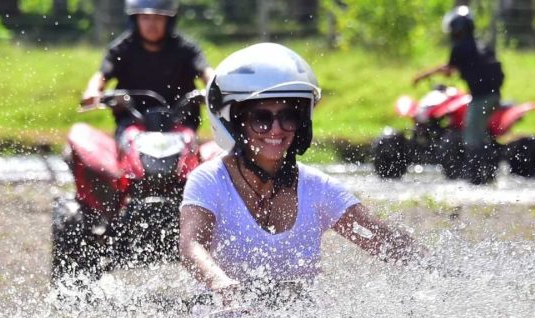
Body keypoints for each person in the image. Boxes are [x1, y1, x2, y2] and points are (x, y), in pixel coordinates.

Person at [179, 43, 421, 302]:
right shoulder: (208, 180)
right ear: (236, 123)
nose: (276, 130)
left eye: (288, 117)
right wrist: (221, 283)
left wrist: (441, 272)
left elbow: (382, 238)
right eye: (261, 119)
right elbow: (191, 245)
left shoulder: (318, 188)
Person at [81, 0, 213, 139]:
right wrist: (93, 91)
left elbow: (206, 72)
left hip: (180, 125)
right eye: (145, 18)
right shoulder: (122, 49)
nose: (151, 24)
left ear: (169, 20)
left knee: (201, 151)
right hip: (132, 125)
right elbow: (102, 75)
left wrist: (217, 89)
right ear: (135, 19)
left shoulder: (186, 49)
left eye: (158, 18)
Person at [413, 5, 504, 184]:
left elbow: (448, 70)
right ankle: (488, 172)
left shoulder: (461, 48)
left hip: (480, 98)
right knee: (482, 135)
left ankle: (477, 177)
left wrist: (424, 75)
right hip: (493, 96)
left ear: (457, 29)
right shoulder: (480, 45)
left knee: (471, 137)